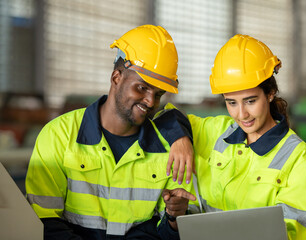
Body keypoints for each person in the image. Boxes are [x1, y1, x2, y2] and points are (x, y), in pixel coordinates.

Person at [25, 24, 196, 240]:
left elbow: (164, 235)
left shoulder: (170, 148)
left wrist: (173, 218)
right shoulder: (58, 135)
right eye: (142, 88)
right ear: (116, 77)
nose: (150, 101)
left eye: (158, 94)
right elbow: (43, 221)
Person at [161, 34, 306, 240]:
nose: (241, 114)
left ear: (270, 93)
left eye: (250, 101)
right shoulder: (216, 131)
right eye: (231, 103)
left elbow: (292, 231)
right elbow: (165, 115)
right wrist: (179, 139)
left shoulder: (297, 157)